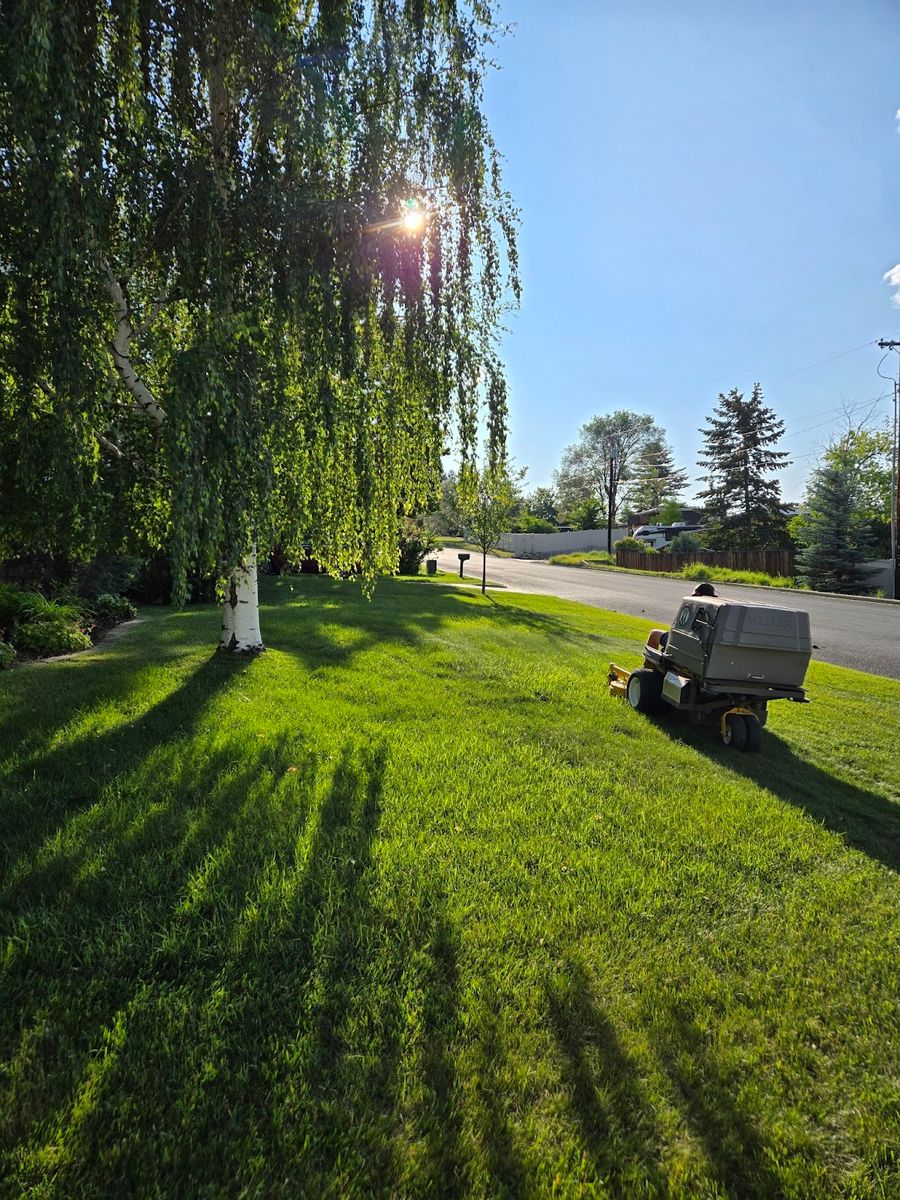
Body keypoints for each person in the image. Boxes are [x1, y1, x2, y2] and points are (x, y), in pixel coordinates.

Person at [646, 582, 719, 655]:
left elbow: (677, 628)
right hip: (706, 650)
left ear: (697, 593)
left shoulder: (693, 608)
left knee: (654, 634)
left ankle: (651, 662)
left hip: (684, 644)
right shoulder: (717, 612)